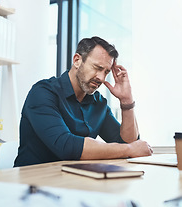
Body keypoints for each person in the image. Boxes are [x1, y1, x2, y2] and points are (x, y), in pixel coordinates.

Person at [14, 36, 152, 167]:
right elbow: (66, 146)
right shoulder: (43, 92)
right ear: (77, 60)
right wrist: (129, 149)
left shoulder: (98, 103)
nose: (101, 78)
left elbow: (129, 143)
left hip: (74, 180)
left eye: (106, 72)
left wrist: (126, 101)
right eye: (97, 68)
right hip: (33, 182)